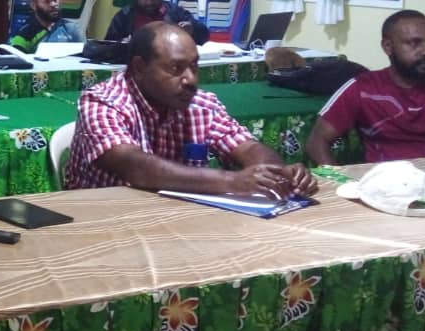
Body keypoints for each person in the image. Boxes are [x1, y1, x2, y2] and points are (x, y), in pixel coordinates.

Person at [66, 22, 318, 199]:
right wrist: (234, 181)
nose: (191, 80)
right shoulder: (102, 102)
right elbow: (137, 168)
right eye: (176, 69)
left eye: (194, 67)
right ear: (140, 68)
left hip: (176, 218)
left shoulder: (201, 105)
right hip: (107, 219)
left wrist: (275, 173)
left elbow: (248, 147)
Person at [307, 10, 425, 165]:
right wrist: (341, 181)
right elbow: (316, 142)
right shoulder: (362, 88)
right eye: (414, 43)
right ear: (388, 46)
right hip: (388, 181)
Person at [104, 0, 209, 45]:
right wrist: (121, 44)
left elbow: (204, 36)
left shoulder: (174, 12)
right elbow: (107, 47)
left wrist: (193, 29)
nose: (149, 2)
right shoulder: (124, 16)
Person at [9, 0, 85, 53]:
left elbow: (86, 57)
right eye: (47, 1)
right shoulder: (24, 35)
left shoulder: (71, 29)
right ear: (33, 5)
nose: (54, 4)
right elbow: (16, 61)